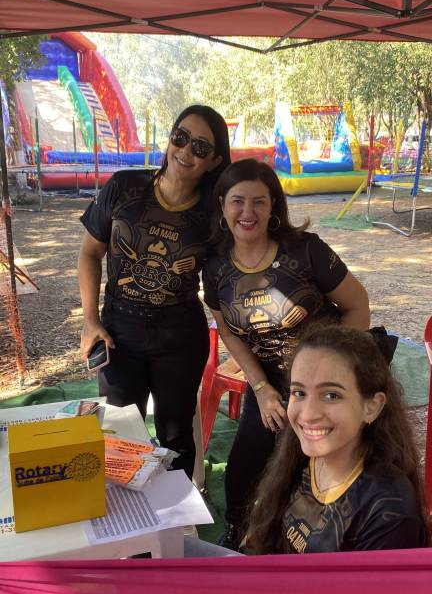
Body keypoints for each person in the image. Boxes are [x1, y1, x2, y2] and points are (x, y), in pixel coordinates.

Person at [203, 158, 370, 548]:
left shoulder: (306, 250)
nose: (248, 212)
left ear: (273, 206)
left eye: (259, 201)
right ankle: (236, 529)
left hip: (324, 374)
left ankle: (308, 541)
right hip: (269, 376)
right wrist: (261, 389)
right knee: (246, 460)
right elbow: (227, 329)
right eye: (238, 201)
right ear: (222, 205)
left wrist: (331, 375)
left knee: (308, 460)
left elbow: (358, 305)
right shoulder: (214, 266)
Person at [78, 105, 231, 479]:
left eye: (200, 147)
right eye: (181, 137)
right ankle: (125, 515)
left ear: (214, 161)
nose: (185, 151)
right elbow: (90, 253)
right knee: (119, 434)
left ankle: (176, 514)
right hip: (119, 333)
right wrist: (90, 320)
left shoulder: (215, 214)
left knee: (175, 438)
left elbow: (226, 278)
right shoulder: (124, 187)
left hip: (179, 337)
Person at [247, 325, 429, 553]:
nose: (308, 414)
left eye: (331, 395)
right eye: (299, 393)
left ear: (372, 407)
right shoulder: (300, 455)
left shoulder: (389, 514)